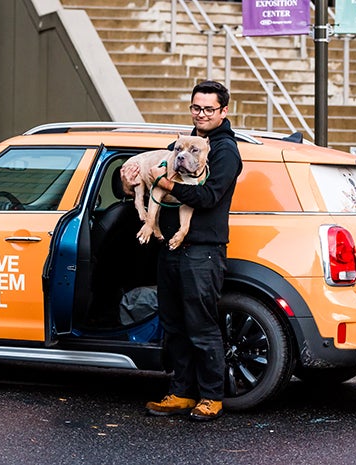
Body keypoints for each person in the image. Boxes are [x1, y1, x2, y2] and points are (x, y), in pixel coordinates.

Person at [121, 80, 243, 421]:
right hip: (171, 247)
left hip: (203, 250)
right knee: (174, 325)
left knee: (201, 326)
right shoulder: (182, 143)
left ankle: (211, 397)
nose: (201, 114)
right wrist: (131, 178)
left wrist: (164, 182)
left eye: (208, 109)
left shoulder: (224, 151)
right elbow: (152, 176)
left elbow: (207, 197)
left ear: (223, 111)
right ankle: (181, 393)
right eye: (196, 107)